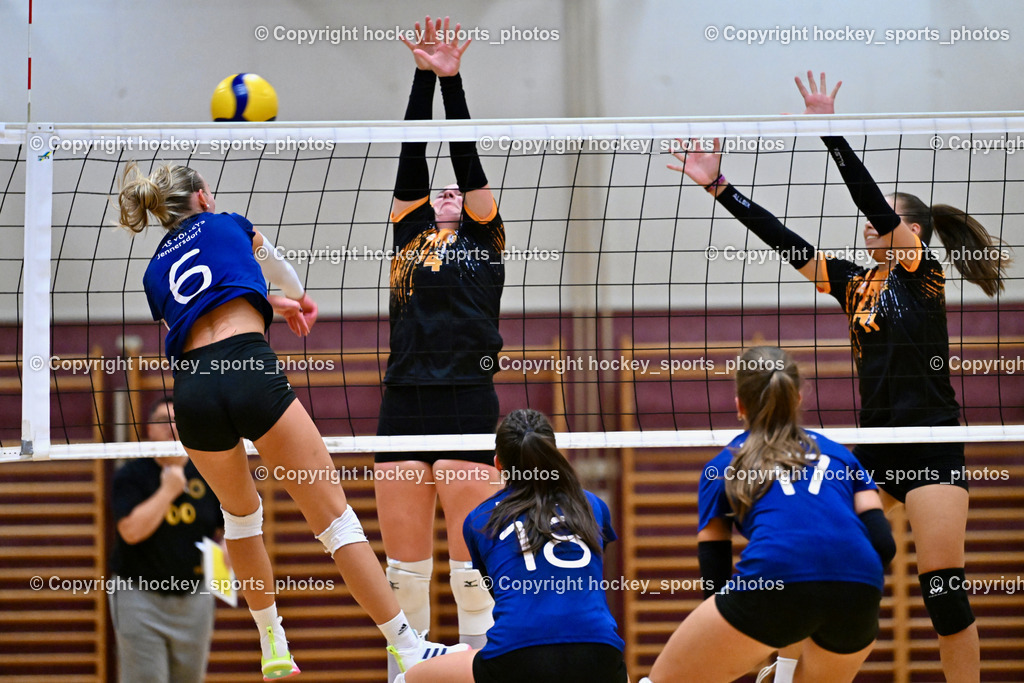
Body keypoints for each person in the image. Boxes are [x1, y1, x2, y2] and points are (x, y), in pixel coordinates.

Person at [668, 72, 1009, 683]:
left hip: (931, 442)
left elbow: (871, 201)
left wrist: (828, 129)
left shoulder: (921, 274)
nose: (869, 227)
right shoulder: (855, 283)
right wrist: (719, 186)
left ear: (912, 236)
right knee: (815, 560)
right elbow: (783, 241)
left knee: (944, 596)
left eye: (886, 223)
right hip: (873, 445)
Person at [119, 160, 465, 681]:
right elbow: (283, 273)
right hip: (249, 371)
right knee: (334, 520)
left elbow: (201, 310)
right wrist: (295, 298)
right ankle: (405, 645)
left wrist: (268, 303)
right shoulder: (230, 222)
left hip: (192, 390)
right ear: (204, 197)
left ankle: (271, 640)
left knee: (240, 519)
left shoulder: (152, 273)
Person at [639, 347, 894, 683]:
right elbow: (883, 544)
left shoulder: (723, 466)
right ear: (798, 397)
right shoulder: (842, 458)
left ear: (739, 405)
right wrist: (835, 586)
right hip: (859, 585)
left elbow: (714, 568)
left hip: (774, 575)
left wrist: (727, 630)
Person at [376, 14, 503, 658]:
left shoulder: (488, 240)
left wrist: (455, 84)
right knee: (404, 577)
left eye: (462, 189)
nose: (450, 188)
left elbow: (465, 158)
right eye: (440, 190)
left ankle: (478, 670)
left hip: (467, 399)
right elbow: (411, 155)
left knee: (471, 577)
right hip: (404, 401)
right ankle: (409, 674)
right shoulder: (407, 238)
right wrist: (422, 79)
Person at [394, 408, 628, 683]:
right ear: (552, 453)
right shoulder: (592, 506)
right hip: (601, 652)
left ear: (498, 464)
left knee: (409, 678)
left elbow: (501, 594)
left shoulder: (480, 519)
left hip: (518, 654)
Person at [109, 396, 222, 683]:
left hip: (194, 598)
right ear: (149, 428)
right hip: (139, 597)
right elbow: (130, 532)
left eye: (178, 421)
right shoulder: (131, 475)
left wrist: (229, 557)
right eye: (163, 420)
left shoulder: (209, 473)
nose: (172, 427)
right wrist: (169, 490)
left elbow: (230, 529)